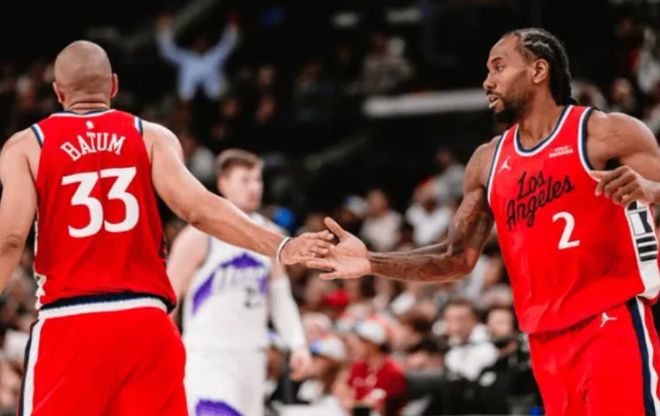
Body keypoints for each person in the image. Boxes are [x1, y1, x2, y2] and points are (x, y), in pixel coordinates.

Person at [309, 27, 660, 415]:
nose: (487, 82)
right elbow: (455, 258)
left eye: (498, 67)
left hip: (609, 323)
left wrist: (651, 189)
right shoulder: (487, 162)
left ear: (538, 70)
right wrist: (370, 262)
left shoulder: (606, 132)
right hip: (543, 341)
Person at [0, 40, 332, 415]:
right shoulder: (151, 136)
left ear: (58, 91)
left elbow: (10, 240)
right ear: (113, 85)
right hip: (146, 322)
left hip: (71, 320)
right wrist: (282, 245)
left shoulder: (27, 146)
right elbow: (199, 209)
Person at [167, 149, 311, 416]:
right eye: (245, 180)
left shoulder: (272, 235)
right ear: (223, 183)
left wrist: (297, 343)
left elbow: (280, 296)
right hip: (208, 354)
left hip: (253, 355)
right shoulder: (199, 234)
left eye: (257, 179)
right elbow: (169, 297)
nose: (254, 187)